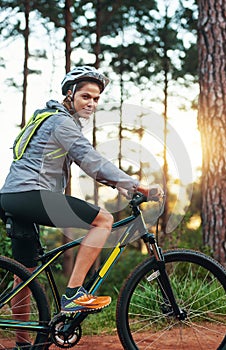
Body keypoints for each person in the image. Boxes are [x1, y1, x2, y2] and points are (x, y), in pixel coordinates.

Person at [0, 66, 163, 349]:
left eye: (96, 99)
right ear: (70, 94)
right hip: (32, 194)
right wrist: (137, 186)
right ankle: (74, 294)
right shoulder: (61, 123)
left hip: (12, 197)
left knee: (23, 275)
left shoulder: (45, 118)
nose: (91, 103)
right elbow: (92, 162)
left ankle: (23, 344)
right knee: (103, 220)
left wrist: (120, 186)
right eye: (86, 96)